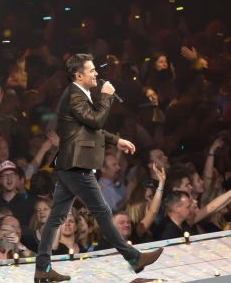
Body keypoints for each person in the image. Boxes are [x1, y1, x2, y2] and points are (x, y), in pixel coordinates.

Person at [35, 54, 162, 283]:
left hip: (69, 164)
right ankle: (135, 259)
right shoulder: (74, 96)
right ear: (79, 75)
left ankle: (42, 269)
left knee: (56, 217)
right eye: (92, 70)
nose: (96, 73)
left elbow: (89, 130)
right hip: (76, 166)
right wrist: (107, 97)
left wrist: (116, 140)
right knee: (103, 213)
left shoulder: (79, 95)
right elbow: (95, 121)